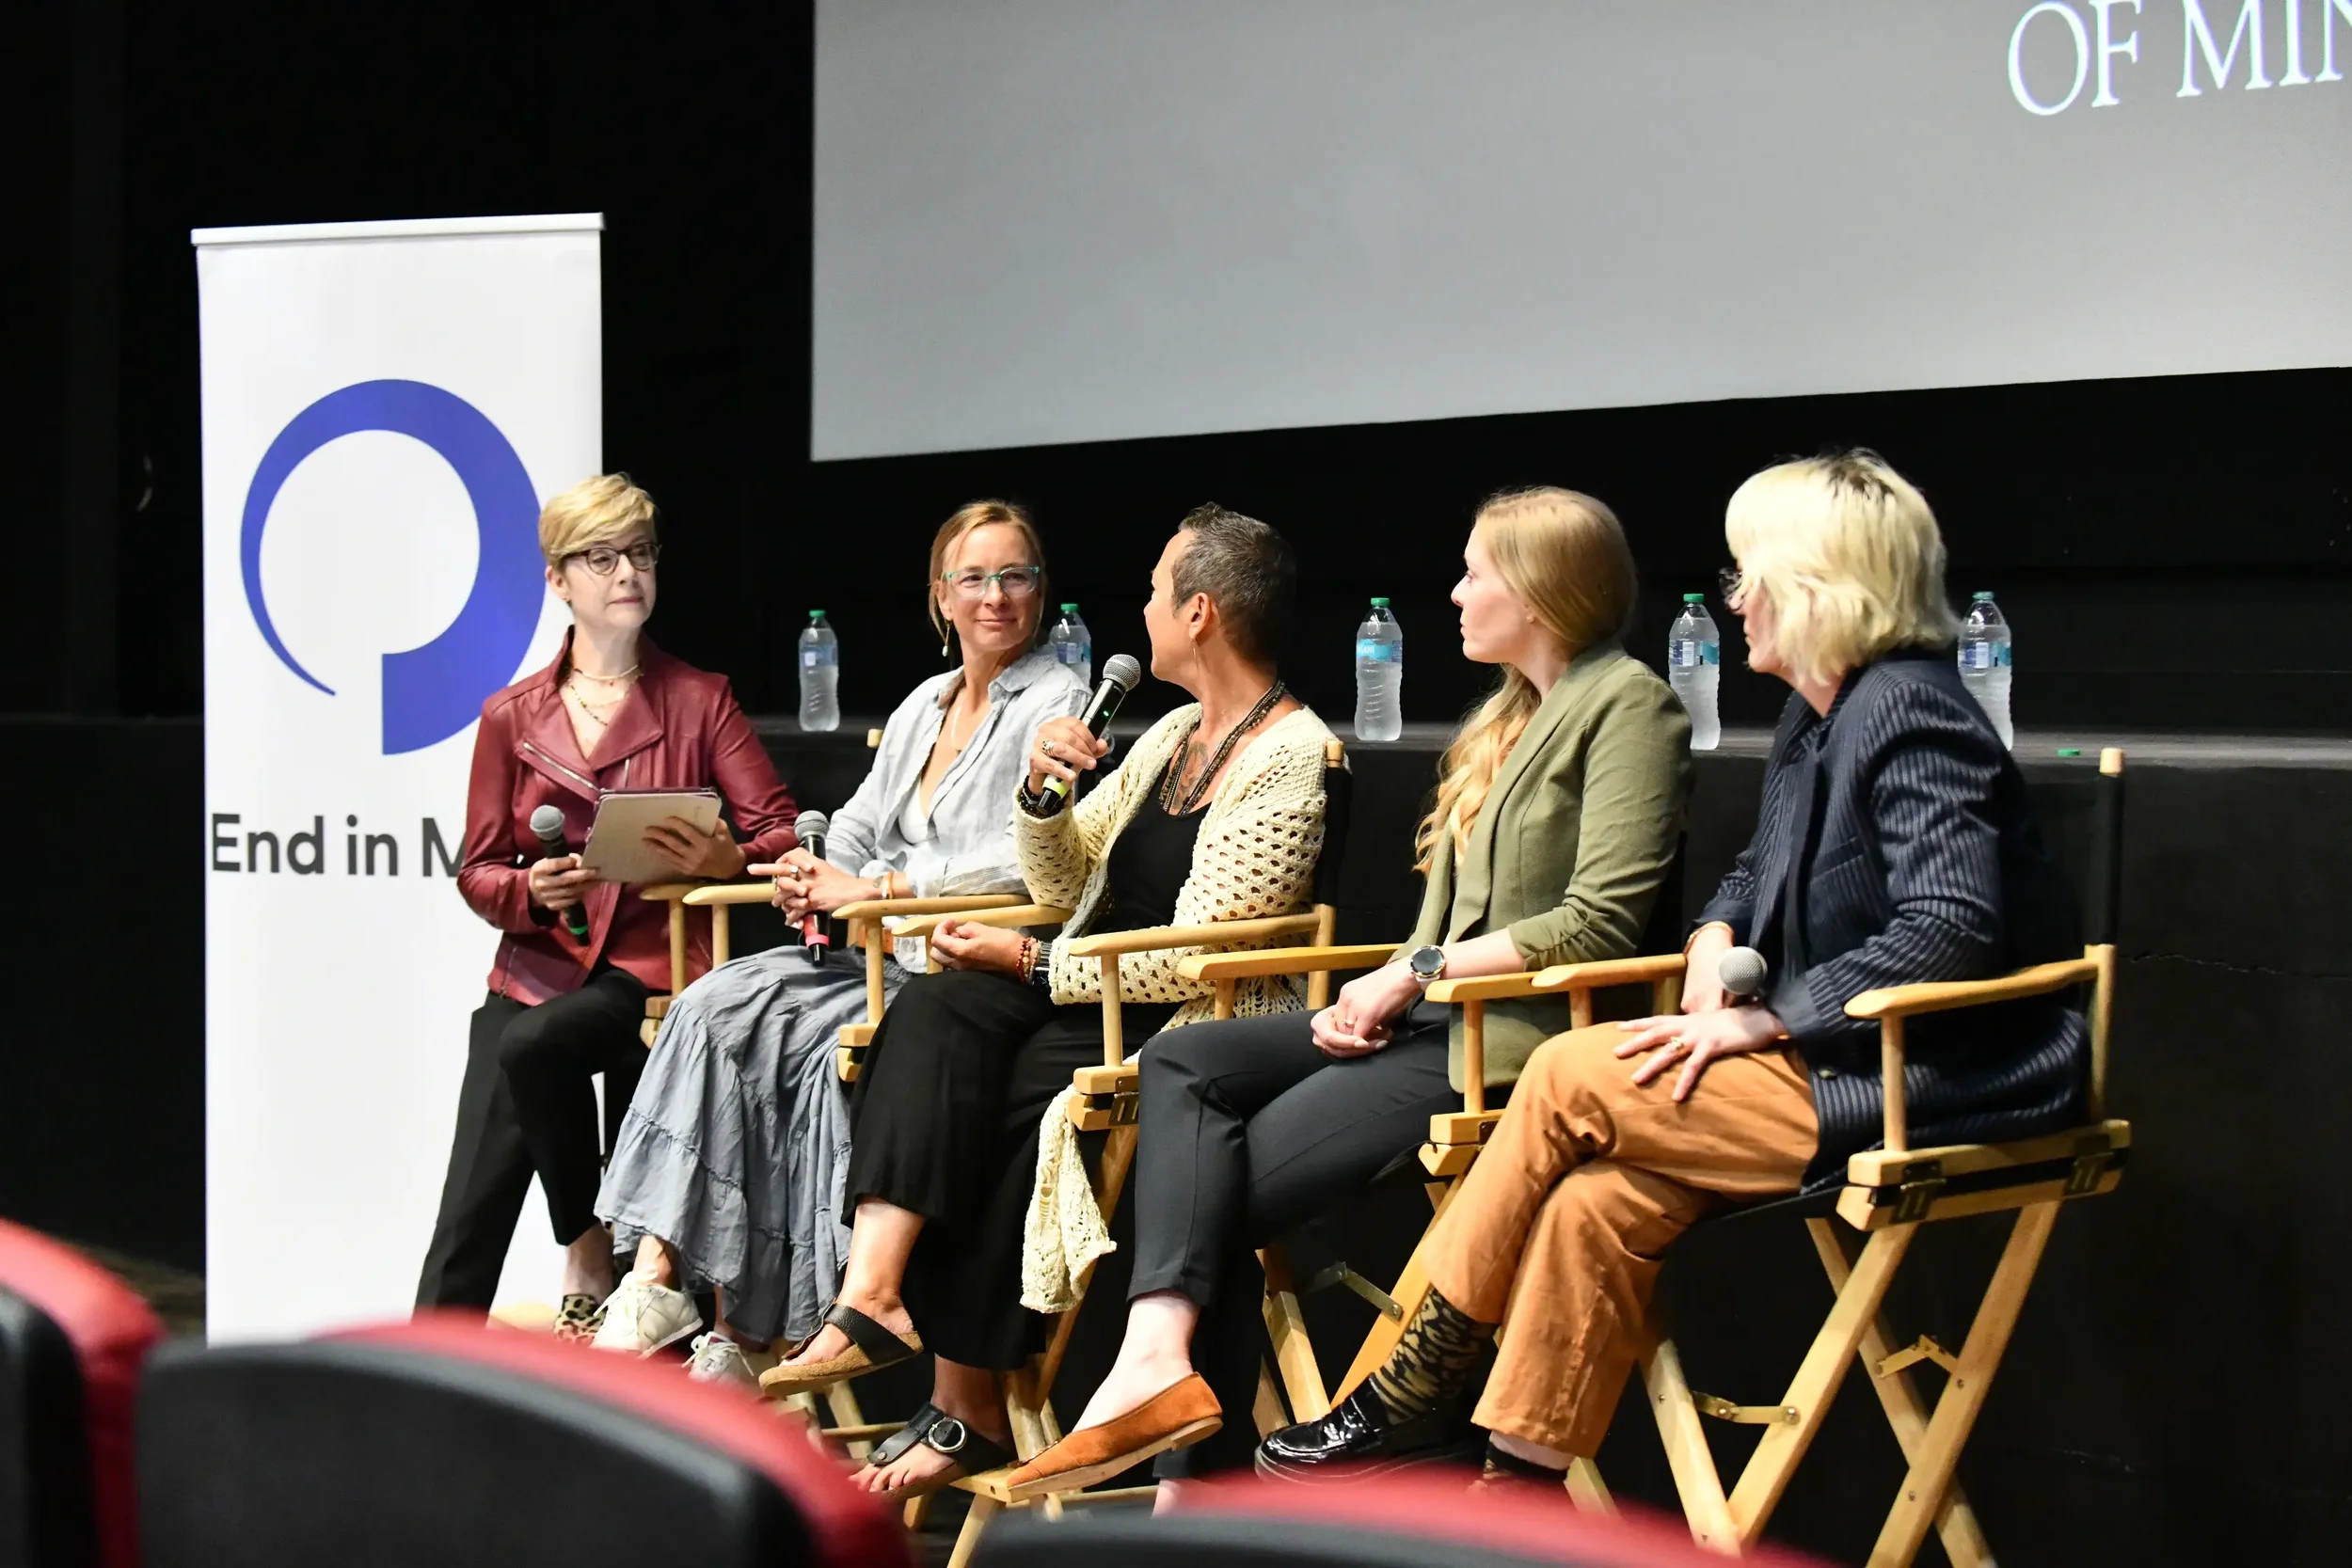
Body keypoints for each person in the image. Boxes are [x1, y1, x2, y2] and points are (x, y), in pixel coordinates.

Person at [1251, 451, 2090, 1489]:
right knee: (1591, 1207)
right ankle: (1516, 1497)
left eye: (1749, 575)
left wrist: (1763, 1019)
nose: (1733, 601)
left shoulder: (1910, 711)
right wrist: (1709, 934)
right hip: (1840, 1065)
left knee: (1566, 1075)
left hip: (1938, 1080)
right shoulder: (1819, 710)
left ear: (1817, 585)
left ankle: (1407, 1388)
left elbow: (1949, 928)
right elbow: (1755, 866)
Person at [993, 486, 1693, 1499]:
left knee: (1202, 1187)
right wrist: (1390, 980)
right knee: (1183, 1063)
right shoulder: (1505, 714)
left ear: (1539, 592)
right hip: (1431, 1019)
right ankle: (1160, 1373)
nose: (1452, 592)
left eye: (1475, 573)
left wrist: (1407, 975)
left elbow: (1595, 923)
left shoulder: (1629, 703)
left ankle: (1191, 1475)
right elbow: (1439, 924)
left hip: (1517, 1043)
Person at [760, 504, 1335, 1503]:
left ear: (1198, 613)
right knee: (937, 1013)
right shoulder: (1166, 735)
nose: (1141, 609)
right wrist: (1040, 794)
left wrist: (1026, 960)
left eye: (1157, 591)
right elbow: (1069, 881)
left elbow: (1197, 953)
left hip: (1185, 1019)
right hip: (1085, 982)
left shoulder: (1293, 753)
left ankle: (966, 1402)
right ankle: (874, 1290)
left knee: (1016, 1091)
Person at [584, 501, 1089, 1383]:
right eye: (975, 578)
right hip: (874, 954)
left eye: (1017, 576)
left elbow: (1021, 865)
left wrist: (875, 891)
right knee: (713, 1005)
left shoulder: (1054, 700)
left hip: (955, 961)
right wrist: (807, 867)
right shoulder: (923, 705)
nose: (997, 597)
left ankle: (754, 1327)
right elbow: (854, 825)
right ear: (941, 594)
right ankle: (658, 1275)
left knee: (809, 1053)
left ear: (1041, 592)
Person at [415, 475, 799, 1331]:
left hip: (653, 973)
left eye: (641, 553)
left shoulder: (702, 698)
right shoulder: (512, 716)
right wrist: (530, 890)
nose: (628, 572)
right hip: (537, 969)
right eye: (603, 556)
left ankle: (618, 1316)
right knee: (467, 1218)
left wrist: (726, 853)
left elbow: (779, 833)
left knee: (647, 1251)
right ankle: (425, 1379)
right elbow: (478, 868)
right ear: (560, 580)